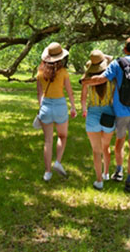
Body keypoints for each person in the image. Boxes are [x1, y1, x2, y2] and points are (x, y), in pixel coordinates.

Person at [81, 36, 130, 192]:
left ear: (124, 49)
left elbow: (102, 79)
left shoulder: (117, 63)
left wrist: (85, 81)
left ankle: (118, 170)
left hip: (121, 111)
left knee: (119, 143)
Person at [36, 42, 77, 181]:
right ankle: (58, 162)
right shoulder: (63, 72)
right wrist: (73, 107)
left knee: (48, 141)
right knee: (62, 136)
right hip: (60, 106)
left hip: (46, 105)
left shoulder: (40, 72)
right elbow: (70, 92)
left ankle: (47, 173)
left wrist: (42, 107)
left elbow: (39, 93)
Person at [80, 50, 117, 190]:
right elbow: (114, 99)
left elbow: (83, 99)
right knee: (105, 147)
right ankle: (106, 173)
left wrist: (84, 110)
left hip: (93, 113)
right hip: (109, 113)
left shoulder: (86, 81)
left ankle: (99, 180)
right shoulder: (111, 79)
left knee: (96, 151)